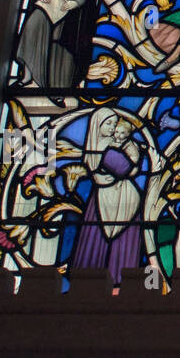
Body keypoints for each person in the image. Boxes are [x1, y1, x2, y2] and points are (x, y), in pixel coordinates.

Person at [70, 110, 143, 285]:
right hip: (103, 199)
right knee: (96, 236)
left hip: (124, 198)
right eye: (108, 124)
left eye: (114, 124)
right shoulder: (101, 146)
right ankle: (86, 283)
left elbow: (126, 167)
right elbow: (123, 167)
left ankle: (122, 282)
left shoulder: (116, 144)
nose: (113, 129)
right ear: (97, 125)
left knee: (120, 238)